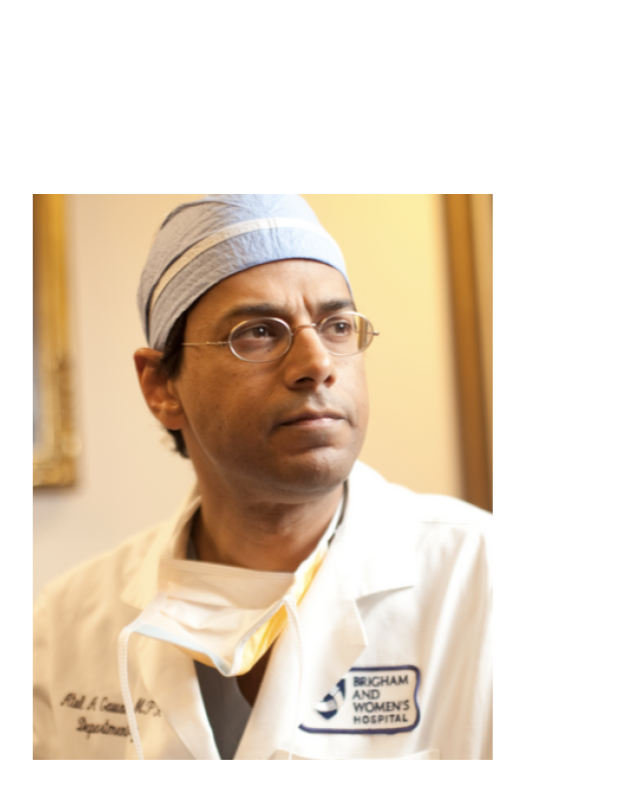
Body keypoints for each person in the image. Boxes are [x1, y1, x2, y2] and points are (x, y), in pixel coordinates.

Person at [31, 194, 492, 759]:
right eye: (257, 333)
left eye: (338, 325)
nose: (318, 362)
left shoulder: (477, 578)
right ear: (160, 386)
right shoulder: (65, 623)